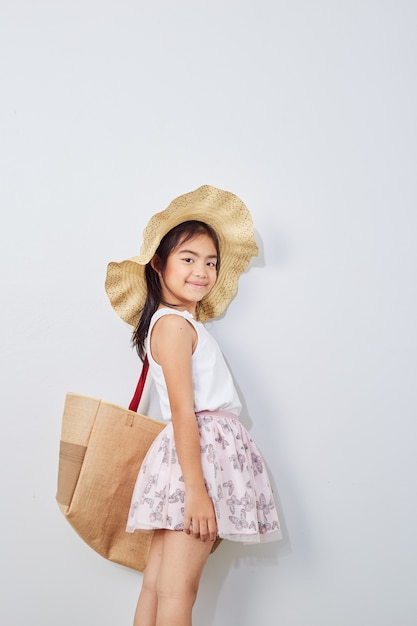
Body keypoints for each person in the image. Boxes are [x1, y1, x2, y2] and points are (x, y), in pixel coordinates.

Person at [105, 185, 281, 626]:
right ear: (158, 264)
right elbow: (184, 413)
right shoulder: (174, 327)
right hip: (196, 461)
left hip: (190, 459)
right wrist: (198, 494)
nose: (202, 271)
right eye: (188, 258)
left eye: (211, 262)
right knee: (179, 591)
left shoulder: (173, 324)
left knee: (160, 585)